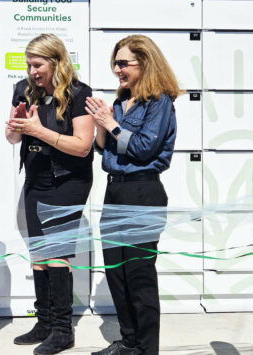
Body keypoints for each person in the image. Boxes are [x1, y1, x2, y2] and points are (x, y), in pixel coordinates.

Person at [86, 35, 182, 355]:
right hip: (114, 191)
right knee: (116, 273)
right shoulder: (118, 102)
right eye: (115, 63)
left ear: (145, 63)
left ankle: (146, 348)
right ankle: (128, 341)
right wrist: (100, 123)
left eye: (123, 63)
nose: (117, 69)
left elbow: (143, 149)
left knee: (139, 277)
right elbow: (104, 149)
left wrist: (110, 124)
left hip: (143, 191)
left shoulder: (159, 102)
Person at [5, 33, 94, 355]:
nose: (32, 71)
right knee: (39, 254)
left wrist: (39, 130)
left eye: (37, 64)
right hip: (36, 177)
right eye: (29, 65)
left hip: (68, 180)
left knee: (57, 253)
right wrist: (15, 128)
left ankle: (62, 329)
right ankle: (43, 321)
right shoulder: (23, 90)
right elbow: (13, 138)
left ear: (56, 62)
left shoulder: (78, 93)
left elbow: (83, 146)